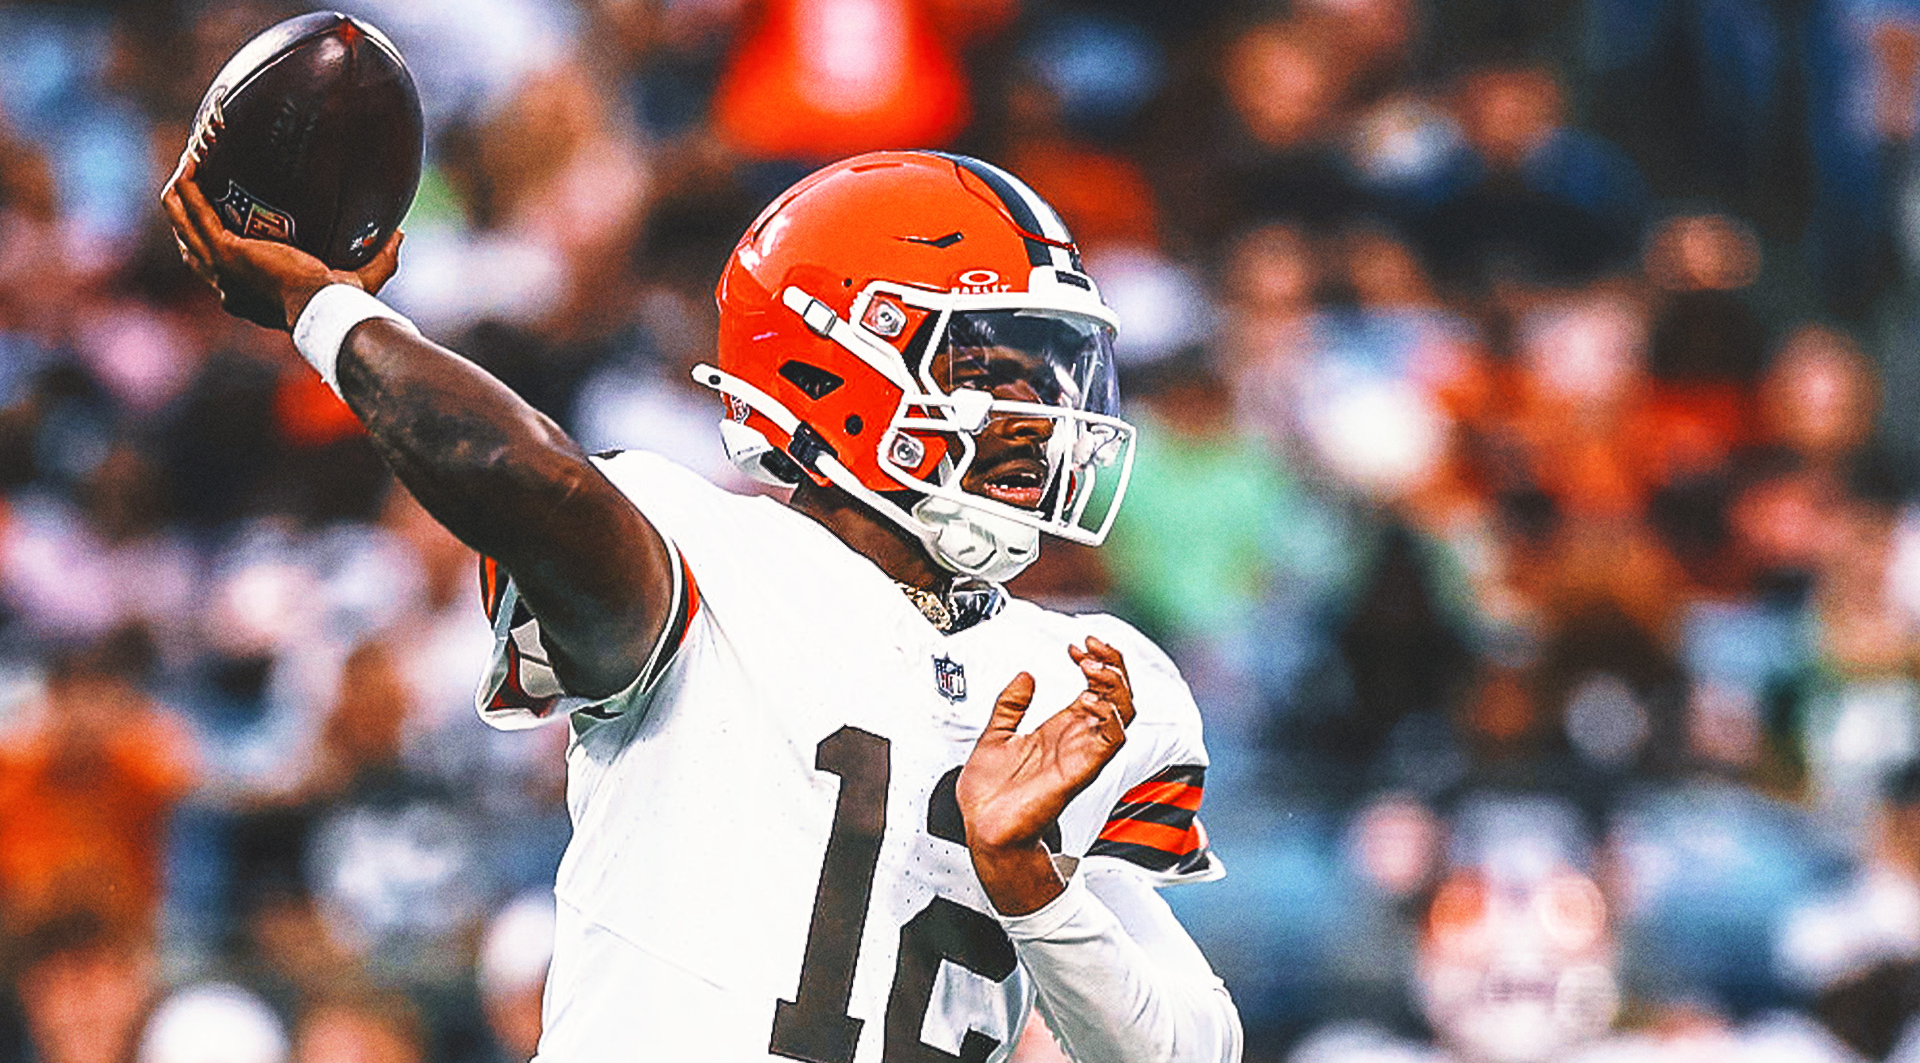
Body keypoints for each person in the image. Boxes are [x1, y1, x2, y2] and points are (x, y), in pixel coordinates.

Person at [162, 144, 1242, 1061]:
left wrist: (1038, 894)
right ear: (831, 369)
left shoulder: (1090, 679)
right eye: (991, 370)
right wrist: (327, 311)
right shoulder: (705, 556)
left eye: (1052, 378)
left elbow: (1189, 1050)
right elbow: (532, 482)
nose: (1039, 417)